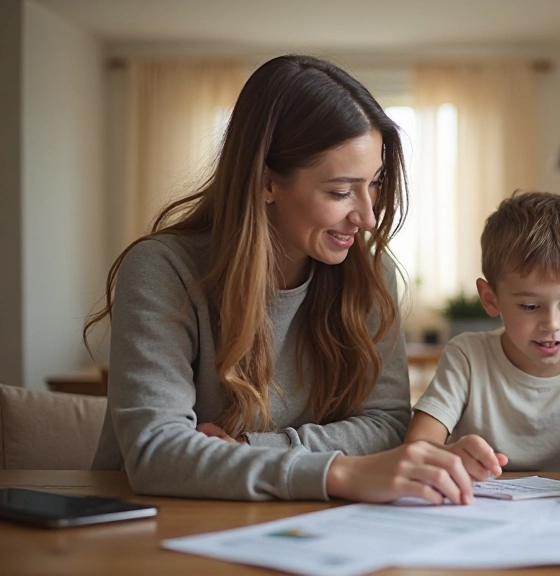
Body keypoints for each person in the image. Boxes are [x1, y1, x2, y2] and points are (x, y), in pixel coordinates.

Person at [87, 55, 477, 504]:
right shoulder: (161, 269)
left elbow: (388, 425)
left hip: (300, 525)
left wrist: (254, 450)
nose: (368, 217)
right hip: (151, 525)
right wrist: (341, 472)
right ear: (266, 182)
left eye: (374, 184)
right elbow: (157, 453)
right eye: (339, 191)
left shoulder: (371, 274)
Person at [405, 192, 560, 476]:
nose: (552, 323)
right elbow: (418, 446)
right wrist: (448, 455)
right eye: (529, 306)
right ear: (491, 299)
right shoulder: (467, 357)